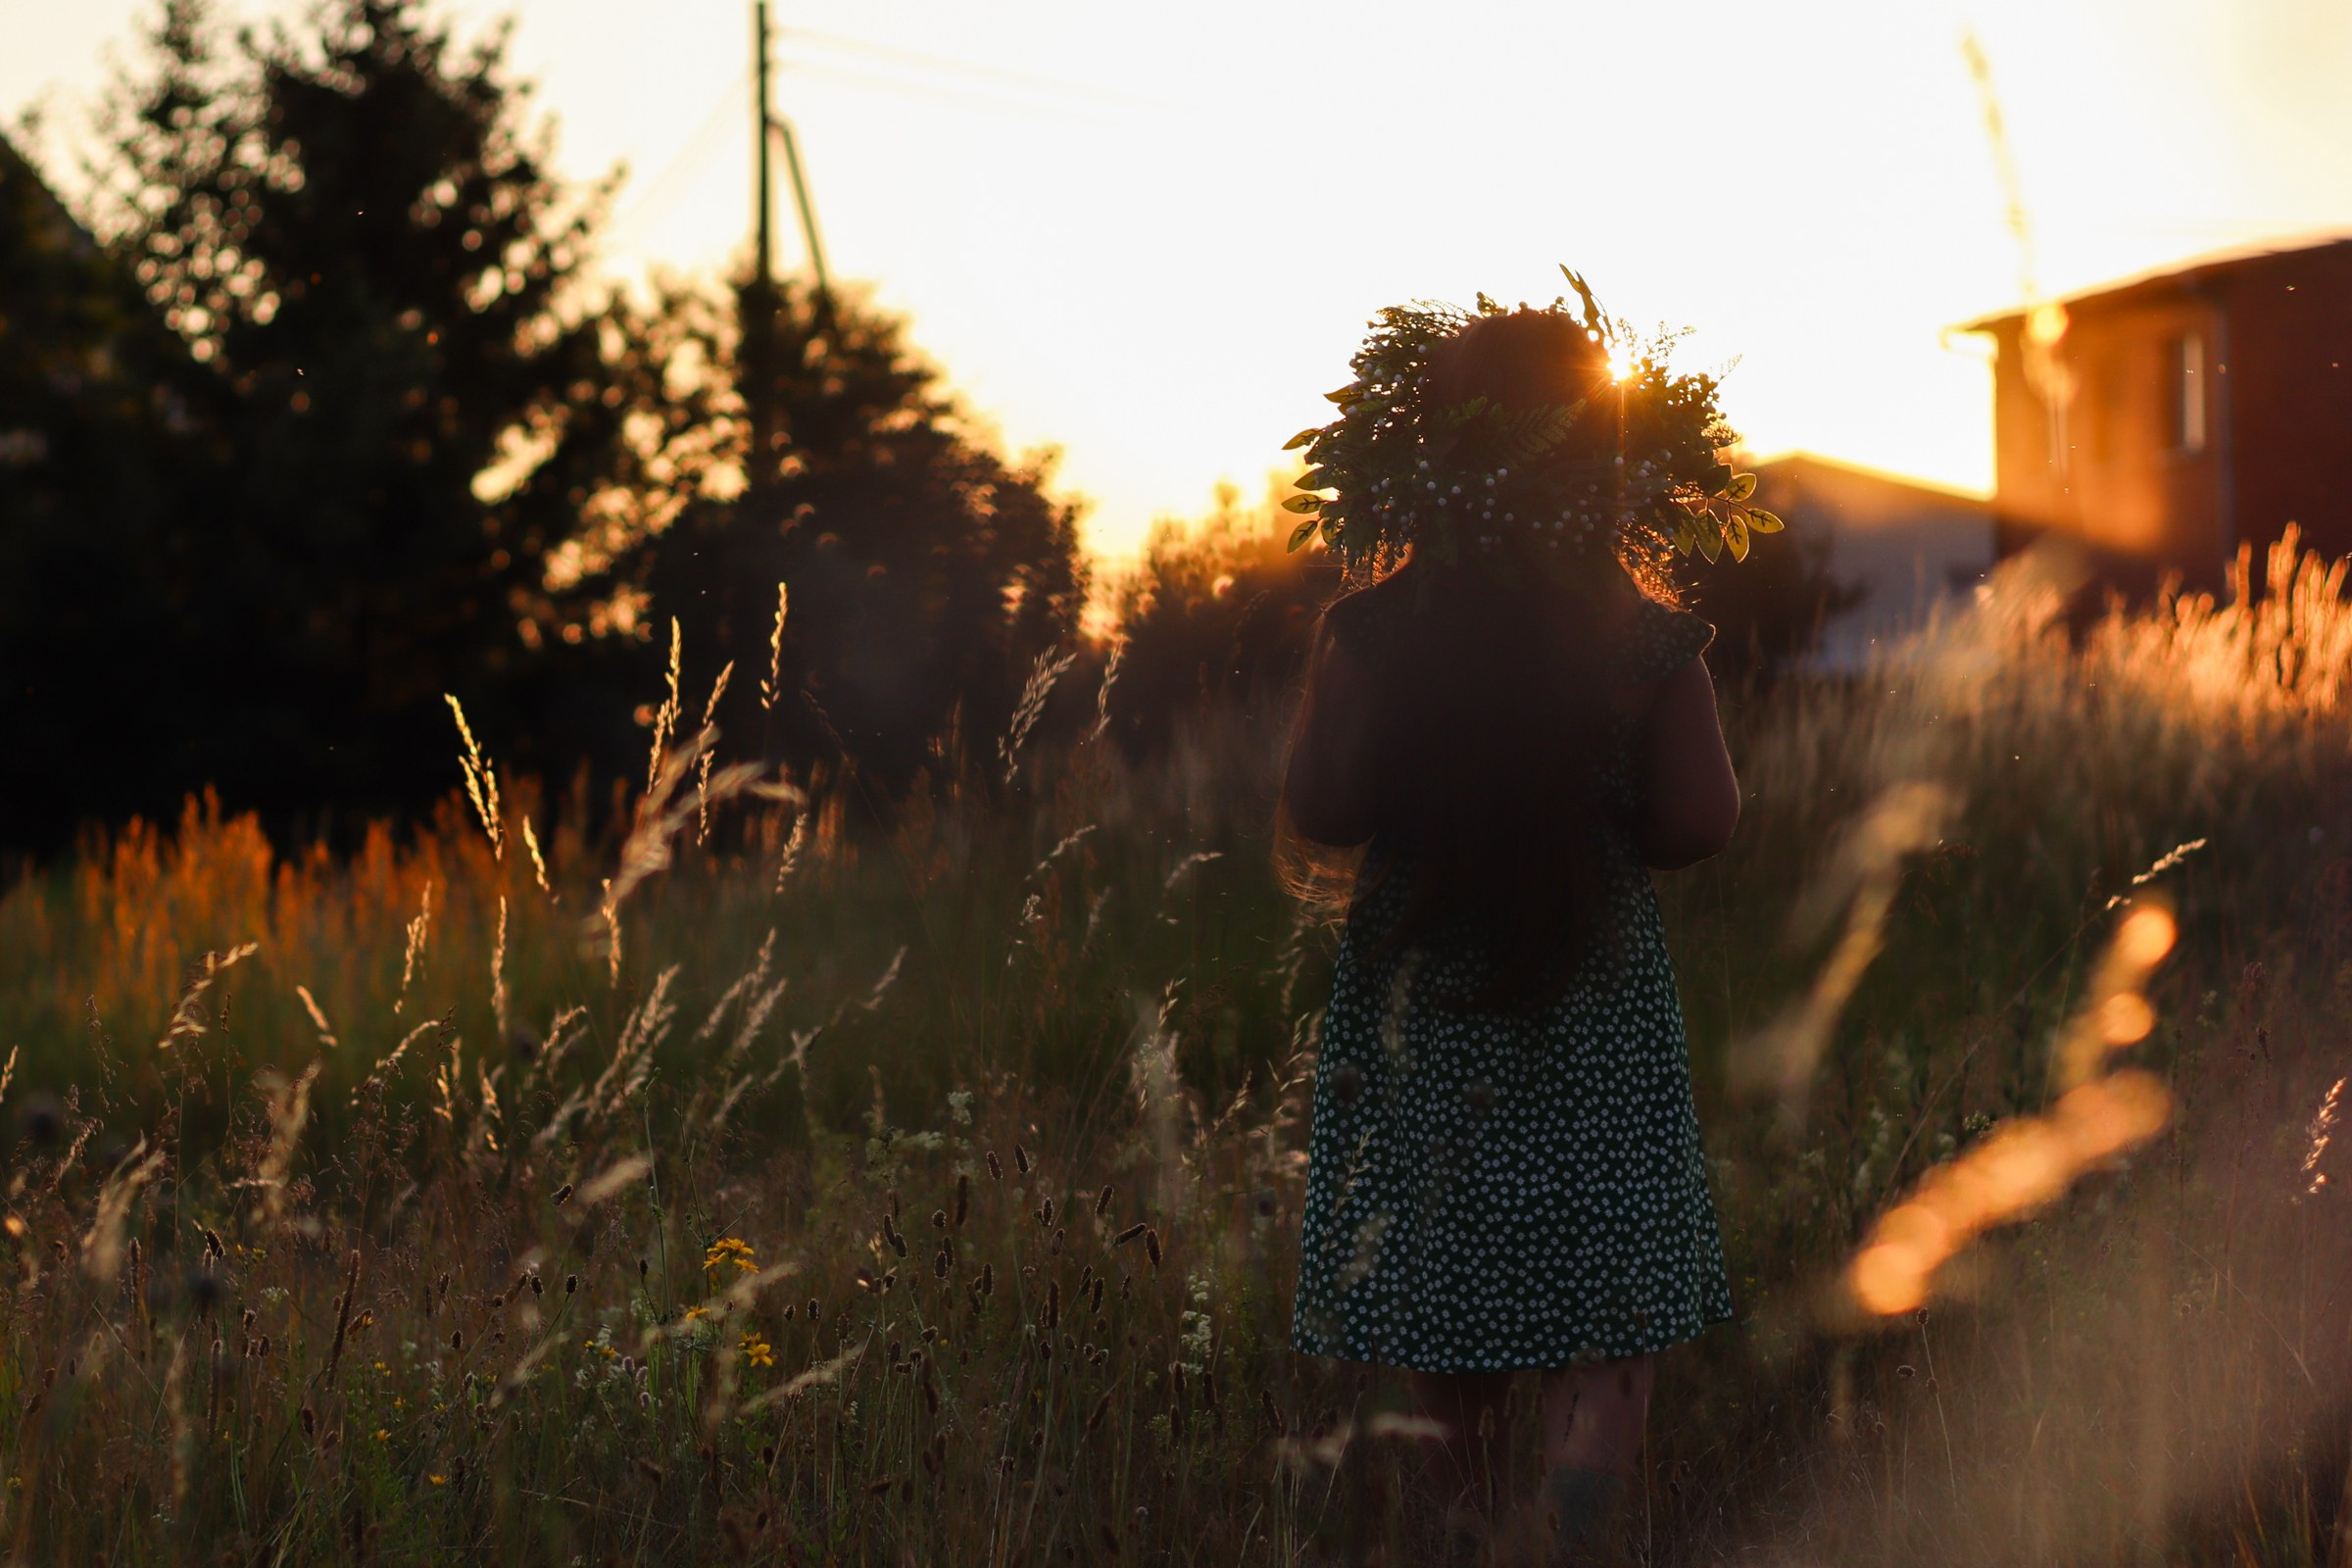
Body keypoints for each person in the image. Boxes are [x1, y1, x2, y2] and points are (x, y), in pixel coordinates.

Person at [1281, 289, 1750, 1563]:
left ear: (1429, 466)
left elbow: (1320, 809)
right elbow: (1704, 818)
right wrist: (1605, 818)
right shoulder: (1648, 639)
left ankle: (1466, 1539)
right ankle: (1574, 1539)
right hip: (1592, 1024)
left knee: (1452, 1335)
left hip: (1424, 1026)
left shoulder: (1374, 635)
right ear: (1598, 468)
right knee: (1609, 1333)